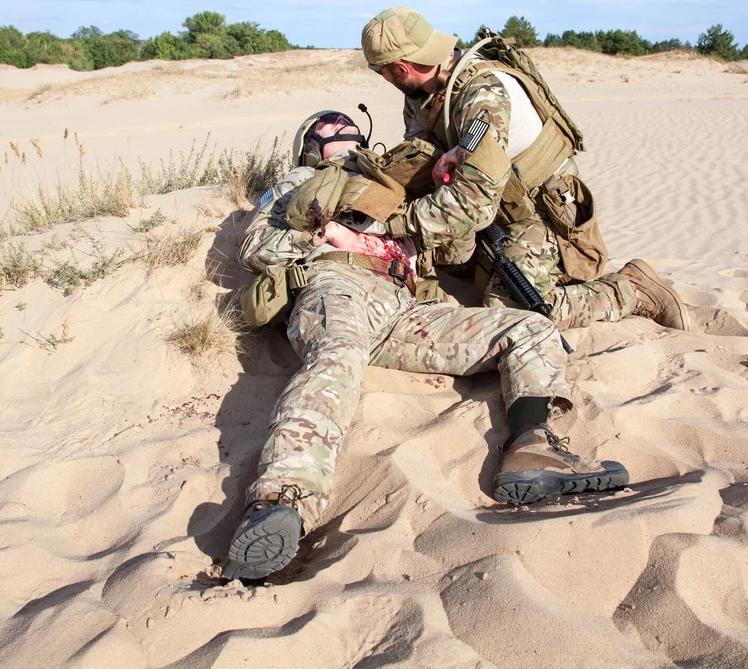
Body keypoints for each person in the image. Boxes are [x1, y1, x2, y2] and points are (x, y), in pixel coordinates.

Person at [222, 111, 628, 580]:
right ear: (310, 147)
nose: (345, 130)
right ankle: (281, 500)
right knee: (337, 359)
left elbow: (453, 250)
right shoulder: (301, 180)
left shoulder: (397, 179)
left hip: (405, 307)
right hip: (338, 284)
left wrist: (438, 194)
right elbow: (256, 248)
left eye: (351, 124)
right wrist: (326, 230)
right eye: (330, 129)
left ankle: (532, 444)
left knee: (529, 329)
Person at [359, 7, 690, 333]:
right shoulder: (423, 95)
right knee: (442, 257)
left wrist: (386, 224)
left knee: (511, 311)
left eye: (381, 71)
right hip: (498, 208)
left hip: (543, 216)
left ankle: (631, 290)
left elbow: (472, 204)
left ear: (400, 68)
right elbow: (421, 158)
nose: (385, 79)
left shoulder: (484, 95)